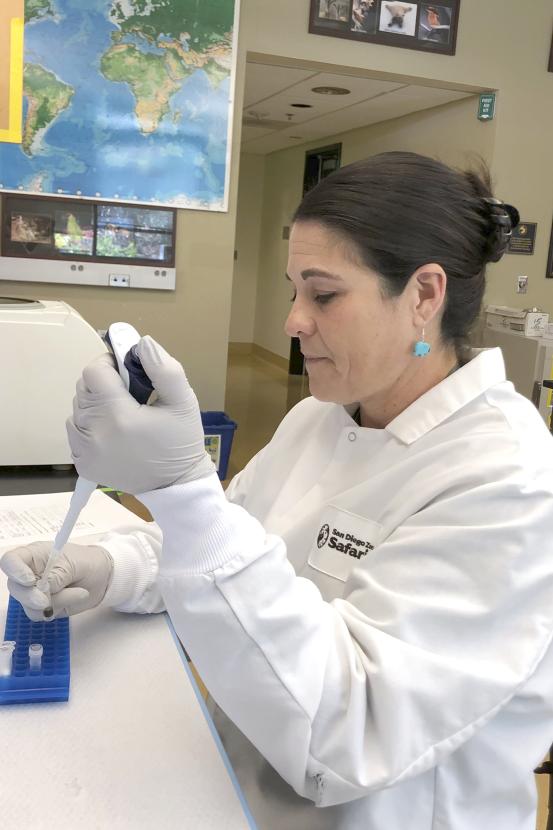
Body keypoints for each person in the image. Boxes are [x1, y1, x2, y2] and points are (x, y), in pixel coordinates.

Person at [3, 152, 553, 830]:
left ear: (423, 296)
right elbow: (231, 534)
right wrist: (112, 565)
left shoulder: (508, 477)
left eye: (322, 295)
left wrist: (179, 489)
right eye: (293, 290)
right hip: (241, 779)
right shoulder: (322, 416)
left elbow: (347, 736)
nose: (293, 321)